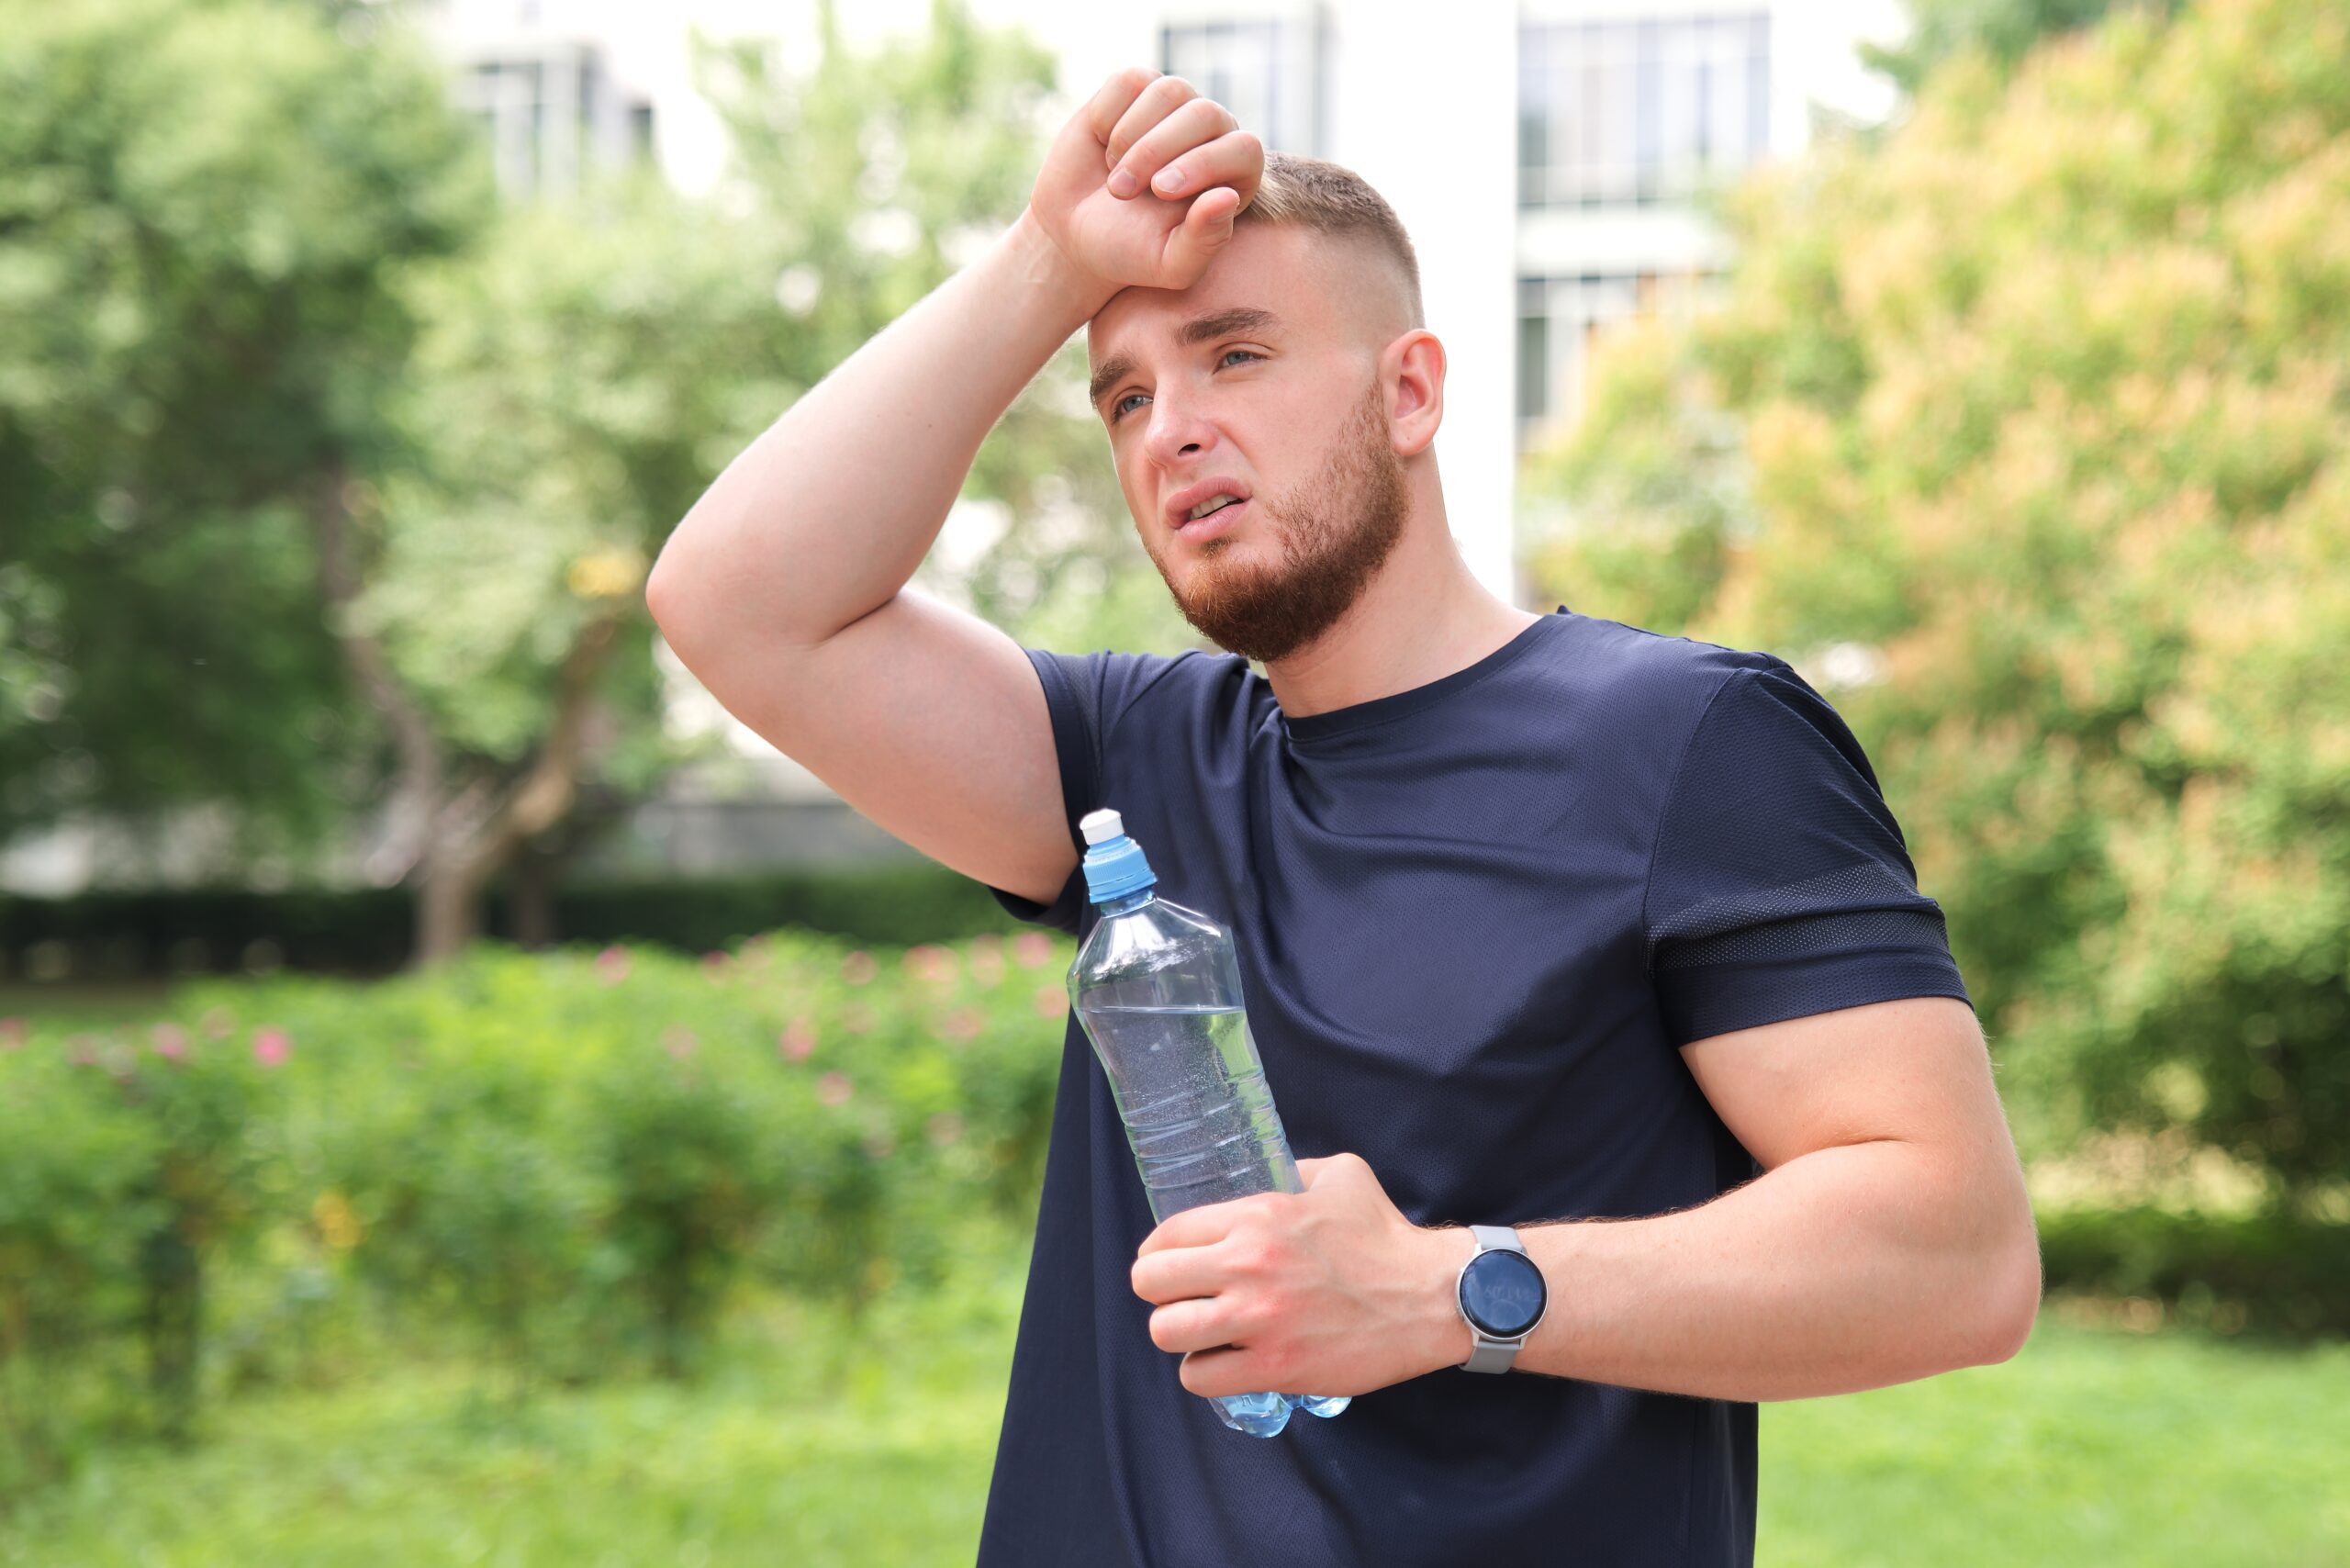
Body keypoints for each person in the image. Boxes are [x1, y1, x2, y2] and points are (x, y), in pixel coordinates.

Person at [648, 67, 2042, 1568]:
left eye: (1233, 356)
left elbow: (1956, 1256)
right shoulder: (1133, 760)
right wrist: (1049, 264)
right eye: (1125, 393)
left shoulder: (1687, 742)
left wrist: (1452, 1294)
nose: (1169, 429)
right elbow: (738, 604)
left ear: (1412, 392)